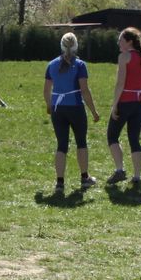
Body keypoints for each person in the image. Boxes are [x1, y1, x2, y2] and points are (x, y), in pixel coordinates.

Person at [43, 32, 101, 191]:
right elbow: (85, 91)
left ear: (61, 46)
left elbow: (46, 90)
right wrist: (94, 111)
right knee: (81, 142)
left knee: (61, 145)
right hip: (75, 108)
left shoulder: (51, 65)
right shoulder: (80, 65)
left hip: (58, 108)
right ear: (76, 46)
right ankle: (85, 178)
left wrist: (49, 105)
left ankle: (60, 182)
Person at [106, 27, 141, 187]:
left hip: (126, 101)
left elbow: (120, 83)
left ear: (129, 42)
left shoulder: (124, 57)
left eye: (120, 40)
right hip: (139, 101)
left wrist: (115, 104)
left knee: (112, 136)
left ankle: (120, 170)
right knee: (134, 139)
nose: (118, 43)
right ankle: (137, 176)